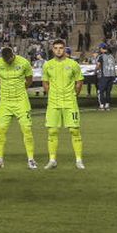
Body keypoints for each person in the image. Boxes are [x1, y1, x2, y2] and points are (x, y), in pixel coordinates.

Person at [0, 46, 37, 170]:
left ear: (13, 55)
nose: (8, 61)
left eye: (9, 59)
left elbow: (29, 80)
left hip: (21, 101)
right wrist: (5, 88)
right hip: (5, 102)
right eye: (5, 60)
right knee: (0, 130)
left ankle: (31, 160)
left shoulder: (24, 63)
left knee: (27, 129)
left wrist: (21, 89)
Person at [42, 38, 85, 170]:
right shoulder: (47, 65)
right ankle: (52, 160)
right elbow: (45, 82)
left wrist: (74, 95)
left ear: (65, 49)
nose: (58, 50)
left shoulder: (73, 64)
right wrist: (51, 94)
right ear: (52, 50)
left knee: (74, 130)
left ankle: (79, 160)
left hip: (69, 101)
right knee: (52, 131)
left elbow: (79, 82)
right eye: (56, 48)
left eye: (61, 48)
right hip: (53, 103)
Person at [95, 44, 116, 111]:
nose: (99, 49)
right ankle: (107, 105)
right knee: (108, 91)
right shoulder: (112, 56)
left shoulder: (101, 56)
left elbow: (98, 65)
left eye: (100, 48)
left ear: (102, 48)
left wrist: (95, 71)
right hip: (111, 75)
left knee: (101, 91)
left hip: (104, 75)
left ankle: (102, 105)